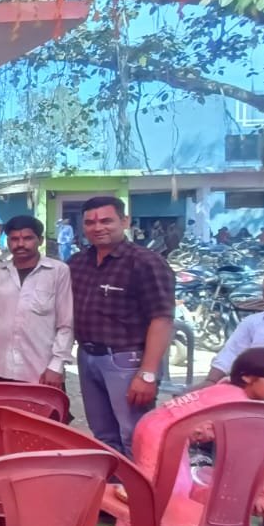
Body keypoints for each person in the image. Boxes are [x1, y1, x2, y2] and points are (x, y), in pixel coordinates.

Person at [130, 347, 264, 526]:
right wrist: (254, 496)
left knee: (169, 490)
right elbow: (243, 461)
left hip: (155, 426)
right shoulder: (241, 407)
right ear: (248, 377)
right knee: (166, 497)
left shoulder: (227, 387)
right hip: (159, 436)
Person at [69, 196, 174, 457]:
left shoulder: (145, 262)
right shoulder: (78, 263)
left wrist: (147, 374)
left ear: (124, 221)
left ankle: (140, 483)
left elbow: (162, 318)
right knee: (103, 436)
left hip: (127, 362)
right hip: (87, 358)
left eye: (106, 221)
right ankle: (114, 482)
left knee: (135, 435)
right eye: (90, 222)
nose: (98, 227)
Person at [0, 216, 74, 389]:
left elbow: (66, 324)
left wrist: (56, 366)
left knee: (43, 409)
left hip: (41, 371)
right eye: (14, 239)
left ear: (40, 240)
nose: (20, 244)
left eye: (27, 238)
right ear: (8, 241)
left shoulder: (58, 271)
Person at [202, 271, 264, 384]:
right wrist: (210, 381)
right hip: (258, 387)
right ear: (263, 295)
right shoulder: (253, 322)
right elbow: (230, 353)